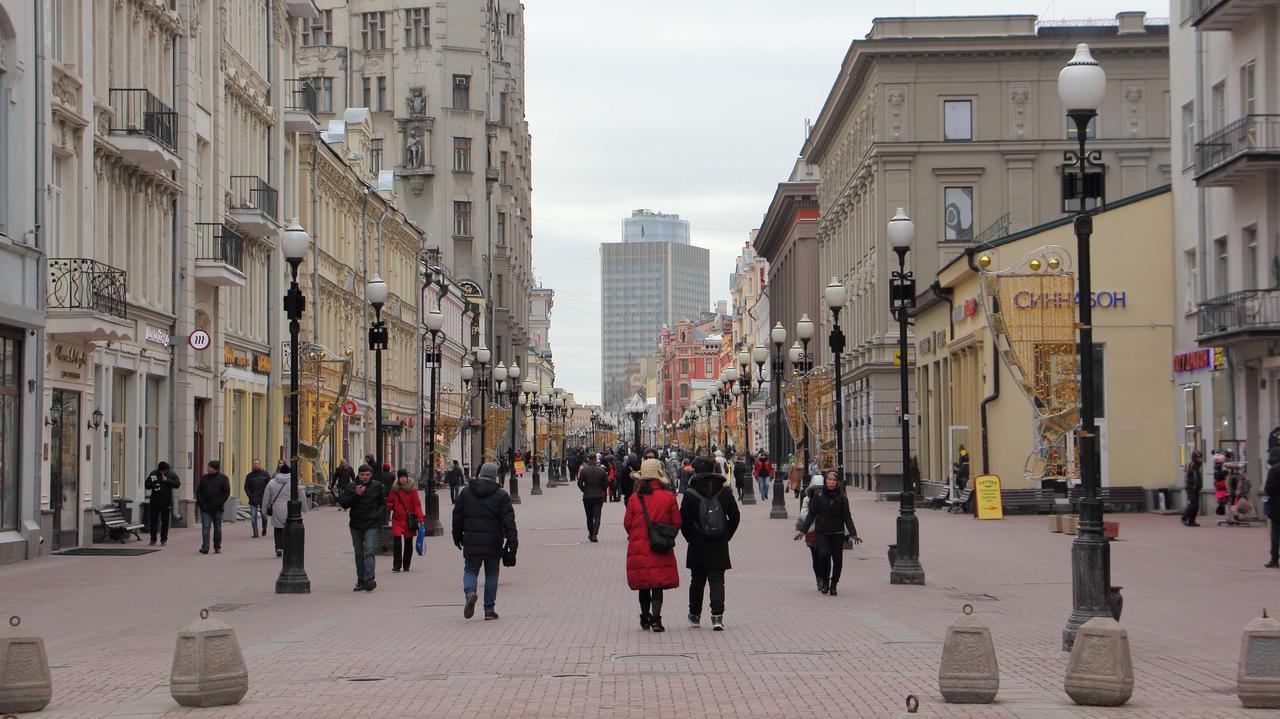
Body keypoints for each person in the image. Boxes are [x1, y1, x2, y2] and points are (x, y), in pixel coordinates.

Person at [681, 456, 740, 631]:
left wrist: (691, 537)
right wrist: (726, 534)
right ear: (713, 469)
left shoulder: (690, 494)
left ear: (695, 471)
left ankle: (695, 615)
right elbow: (735, 517)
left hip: (697, 544)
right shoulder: (725, 491)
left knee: (697, 580)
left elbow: (683, 520)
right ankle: (717, 617)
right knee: (717, 580)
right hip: (719, 544)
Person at [453, 462, 518, 620]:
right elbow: (509, 521)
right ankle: (489, 610)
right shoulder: (501, 495)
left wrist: (457, 537)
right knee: (491, 574)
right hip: (493, 542)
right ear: (495, 476)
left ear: (480, 473)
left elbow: (457, 517)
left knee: (470, 570)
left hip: (471, 539)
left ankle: (470, 592)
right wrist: (512, 541)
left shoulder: (466, 492)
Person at [623, 458, 682, 632]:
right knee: (657, 584)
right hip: (660, 545)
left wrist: (635, 535)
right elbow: (677, 522)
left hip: (639, 546)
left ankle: (644, 618)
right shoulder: (668, 497)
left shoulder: (635, 498)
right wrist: (666, 535)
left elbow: (627, 523)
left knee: (644, 583)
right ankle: (656, 619)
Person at [794, 472, 862, 596]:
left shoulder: (842, 497)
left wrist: (853, 533)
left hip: (837, 532)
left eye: (834, 480)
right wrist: (803, 531)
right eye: (829, 479)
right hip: (822, 532)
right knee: (823, 555)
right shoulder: (818, 496)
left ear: (837, 482)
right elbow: (811, 515)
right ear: (825, 481)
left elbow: (847, 517)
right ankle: (825, 581)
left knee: (837, 559)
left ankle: (834, 584)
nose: (831, 482)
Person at [339, 464, 386, 591]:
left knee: (369, 550)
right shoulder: (351, 487)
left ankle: (369, 580)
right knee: (359, 553)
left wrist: (377, 516)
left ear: (371, 475)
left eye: (367, 475)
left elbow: (383, 503)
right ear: (358, 475)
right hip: (356, 524)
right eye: (362, 475)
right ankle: (361, 580)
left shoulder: (377, 486)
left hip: (371, 523)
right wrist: (356, 494)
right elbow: (344, 504)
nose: (364, 477)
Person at [387, 469, 424, 573]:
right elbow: (389, 501)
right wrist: (392, 506)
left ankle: (406, 564)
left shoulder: (412, 490)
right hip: (397, 520)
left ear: (407, 477)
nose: (403, 479)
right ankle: (396, 565)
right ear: (398, 478)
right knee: (397, 543)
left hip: (409, 520)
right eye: (401, 477)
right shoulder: (394, 490)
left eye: (404, 477)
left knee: (408, 543)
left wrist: (421, 519)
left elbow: (417, 505)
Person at [265, 463, 304, 557]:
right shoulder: (293, 482)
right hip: (289, 508)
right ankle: (287, 547)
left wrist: (263, 509)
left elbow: (266, 497)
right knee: (288, 529)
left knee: (278, 529)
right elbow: (301, 494)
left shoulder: (272, 482)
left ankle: (278, 547)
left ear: (279, 471)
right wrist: (304, 508)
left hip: (276, 508)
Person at [195, 460, 230, 555]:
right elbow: (199, 491)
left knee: (217, 528)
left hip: (217, 508)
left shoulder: (223, 479)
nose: (208, 468)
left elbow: (226, 492)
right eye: (208, 466)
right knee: (205, 527)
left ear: (215, 468)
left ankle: (217, 546)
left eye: (209, 467)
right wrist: (201, 503)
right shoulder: (204, 478)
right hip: (205, 508)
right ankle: (205, 547)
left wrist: (219, 502)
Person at [798, 474, 826, 592]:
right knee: (816, 556)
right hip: (812, 532)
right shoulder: (807, 499)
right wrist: (817, 516)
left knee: (824, 556)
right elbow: (803, 514)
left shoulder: (827, 498)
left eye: (820, 488)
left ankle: (825, 578)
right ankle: (819, 578)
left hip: (825, 531)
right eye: (816, 488)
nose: (818, 491)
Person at [144, 461, 180, 546]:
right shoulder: (153, 473)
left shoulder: (171, 474)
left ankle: (164, 539)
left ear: (167, 470)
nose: (162, 473)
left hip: (166, 501)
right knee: (153, 521)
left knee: (165, 521)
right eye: (160, 471)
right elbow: (147, 485)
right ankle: (153, 539)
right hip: (155, 501)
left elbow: (177, 484)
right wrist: (153, 485)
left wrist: (167, 480)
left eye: (164, 471)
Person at [577, 453, 609, 542]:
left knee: (589, 516)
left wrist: (584, 490)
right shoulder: (602, 471)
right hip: (598, 496)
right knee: (597, 516)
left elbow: (579, 483)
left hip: (587, 496)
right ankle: (595, 533)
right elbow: (606, 483)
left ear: (588, 460)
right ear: (595, 460)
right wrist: (601, 490)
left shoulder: (584, 471)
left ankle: (591, 534)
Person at [244, 459, 271, 538]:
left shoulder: (265, 474)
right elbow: (246, 487)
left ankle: (264, 528)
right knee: (253, 517)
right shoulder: (249, 476)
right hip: (253, 498)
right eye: (254, 464)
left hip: (263, 498)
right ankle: (255, 532)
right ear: (252, 465)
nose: (256, 465)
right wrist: (250, 496)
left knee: (264, 515)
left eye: (257, 463)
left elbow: (269, 486)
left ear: (260, 464)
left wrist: (267, 496)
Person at [1266, 447, 1280, 568]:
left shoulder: (1274, 470)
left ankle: (1274, 559)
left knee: (1275, 532)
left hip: (1277, 505)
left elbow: (1269, 489)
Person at [1182, 449, 1203, 527]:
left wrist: (1198, 485)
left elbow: (1197, 476)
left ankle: (1191, 521)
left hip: (1196, 487)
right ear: (1195, 457)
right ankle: (1184, 518)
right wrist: (1192, 483)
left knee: (1196, 505)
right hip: (1190, 487)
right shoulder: (1190, 464)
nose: (1200, 459)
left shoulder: (1197, 465)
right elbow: (1187, 475)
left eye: (1200, 457)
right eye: (1198, 457)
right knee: (1192, 504)